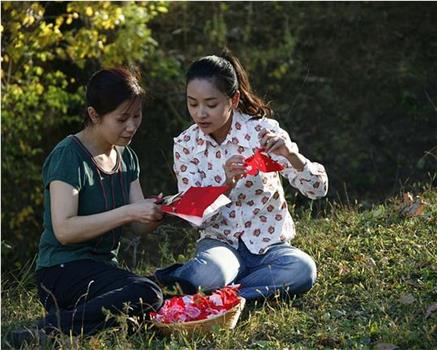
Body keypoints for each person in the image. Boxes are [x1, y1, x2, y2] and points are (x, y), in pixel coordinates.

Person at [8, 68, 164, 347]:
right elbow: (65, 229)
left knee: (162, 291)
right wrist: (130, 212)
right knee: (147, 292)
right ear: (94, 115)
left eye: (136, 116)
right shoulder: (69, 155)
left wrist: (158, 211)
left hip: (102, 269)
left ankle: (76, 325)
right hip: (62, 270)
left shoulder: (126, 157)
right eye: (122, 119)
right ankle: (45, 329)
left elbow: (140, 226)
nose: (131, 126)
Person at [155, 51, 328, 300]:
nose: (200, 113)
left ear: (233, 99)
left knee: (302, 269)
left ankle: (227, 297)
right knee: (209, 274)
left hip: (269, 246)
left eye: (210, 104)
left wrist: (292, 156)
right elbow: (193, 216)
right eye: (192, 103)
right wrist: (224, 185)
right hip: (220, 245)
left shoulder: (262, 131)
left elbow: (318, 190)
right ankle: (207, 286)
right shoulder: (185, 145)